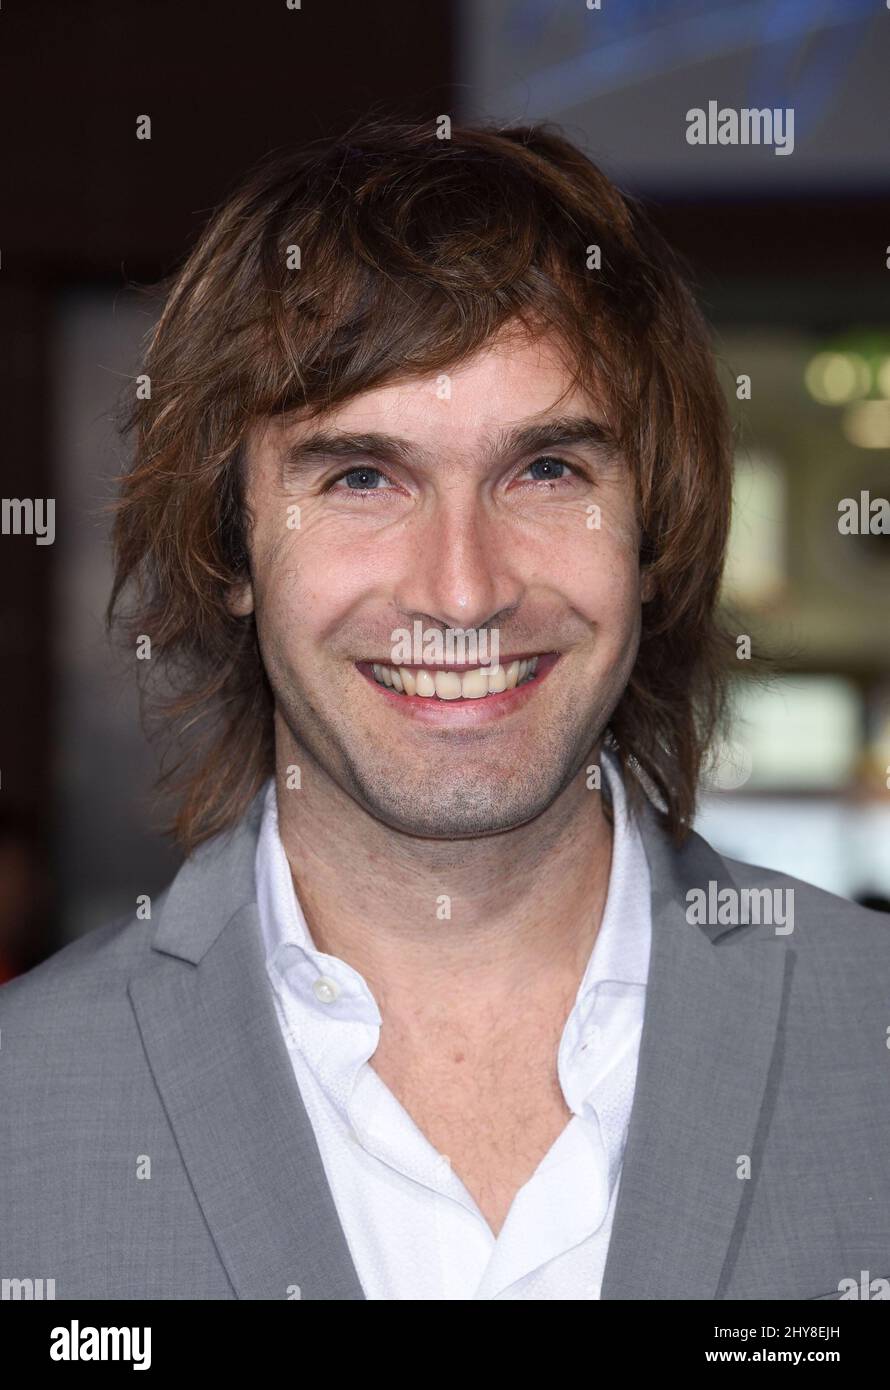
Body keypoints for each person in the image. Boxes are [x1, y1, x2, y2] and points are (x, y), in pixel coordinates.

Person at [1, 119, 888, 1302]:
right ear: (232, 544)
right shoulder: (27, 1101)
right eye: (362, 477)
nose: (462, 589)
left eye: (546, 470)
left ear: (650, 536)